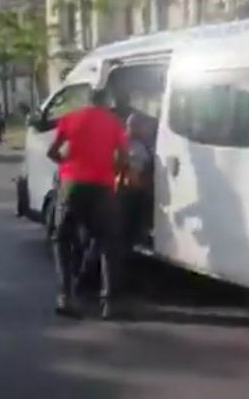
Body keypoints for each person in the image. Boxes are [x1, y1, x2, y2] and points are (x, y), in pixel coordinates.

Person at [47, 89, 129, 319]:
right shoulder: (114, 123)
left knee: (62, 239)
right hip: (102, 188)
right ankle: (109, 303)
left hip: (71, 185)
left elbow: (52, 152)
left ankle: (65, 297)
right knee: (108, 243)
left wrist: (66, 165)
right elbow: (123, 156)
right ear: (106, 103)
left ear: (88, 102)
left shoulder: (70, 118)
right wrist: (114, 173)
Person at [120, 112, 157, 247]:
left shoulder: (143, 143)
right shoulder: (125, 142)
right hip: (127, 188)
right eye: (132, 126)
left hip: (137, 186)